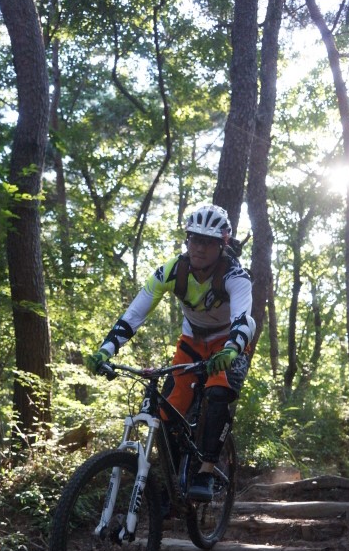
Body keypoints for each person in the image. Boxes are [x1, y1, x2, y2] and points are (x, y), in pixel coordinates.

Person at [86, 203, 256, 503]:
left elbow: (244, 319)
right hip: (192, 342)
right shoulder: (172, 271)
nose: (199, 248)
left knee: (218, 393)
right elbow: (133, 315)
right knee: (166, 413)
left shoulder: (235, 276)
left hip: (227, 343)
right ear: (187, 240)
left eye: (208, 242)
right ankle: (174, 484)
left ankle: (205, 472)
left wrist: (232, 349)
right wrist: (106, 350)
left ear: (222, 245)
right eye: (194, 239)